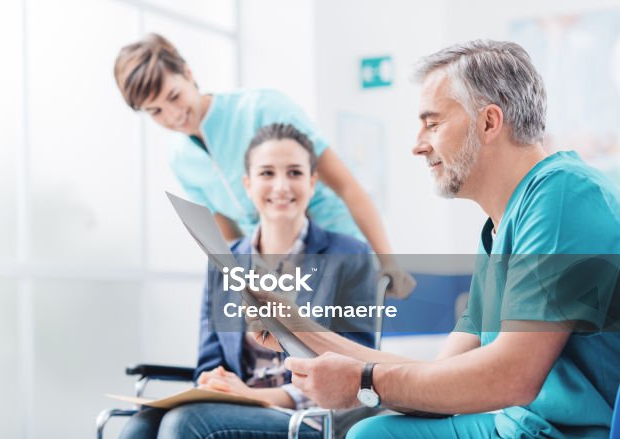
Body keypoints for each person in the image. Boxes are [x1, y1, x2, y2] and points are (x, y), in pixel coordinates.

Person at [246, 40, 620, 438]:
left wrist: (364, 382)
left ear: (489, 122)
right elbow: (440, 378)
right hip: (515, 425)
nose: (418, 144)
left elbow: (513, 377)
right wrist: (301, 330)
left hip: (565, 433)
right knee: (373, 433)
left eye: (433, 123)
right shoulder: (501, 228)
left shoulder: (562, 195)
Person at [118, 123, 379, 439]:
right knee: (138, 427)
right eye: (267, 173)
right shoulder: (223, 261)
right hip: (236, 406)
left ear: (312, 182)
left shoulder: (350, 256)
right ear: (247, 184)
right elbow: (210, 361)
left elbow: (358, 367)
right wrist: (214, 381)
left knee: (184, 424)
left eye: (294, 173)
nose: (281, 185)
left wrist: (253, 396)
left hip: (310, 418)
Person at [114, 33, 416, 299]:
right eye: (156, 111)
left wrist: (388, 262)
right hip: (273, 268)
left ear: (188, 73)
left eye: (174, 96)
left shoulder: (263, 108)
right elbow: (228, 233)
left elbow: (347, 186)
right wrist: (244, 283)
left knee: (342, 355)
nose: (174, 115)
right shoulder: (181, 159)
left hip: (333, 247)